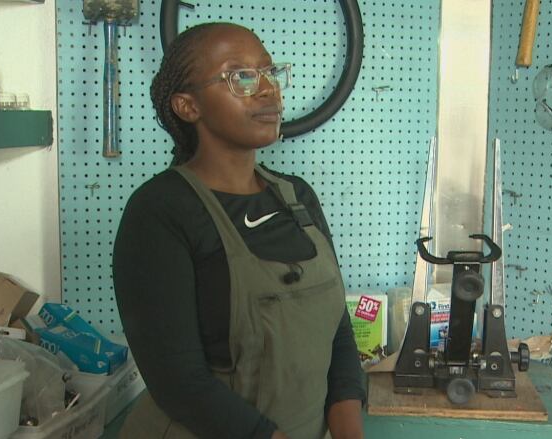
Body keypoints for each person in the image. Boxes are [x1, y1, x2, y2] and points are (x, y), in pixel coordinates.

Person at [112, 22, 366, 439]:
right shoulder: (160, 211)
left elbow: (336, 332)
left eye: (269, 72)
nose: (268, 89)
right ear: (187, 106)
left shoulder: (297, 197)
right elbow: (180, 383)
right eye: (241, 77)